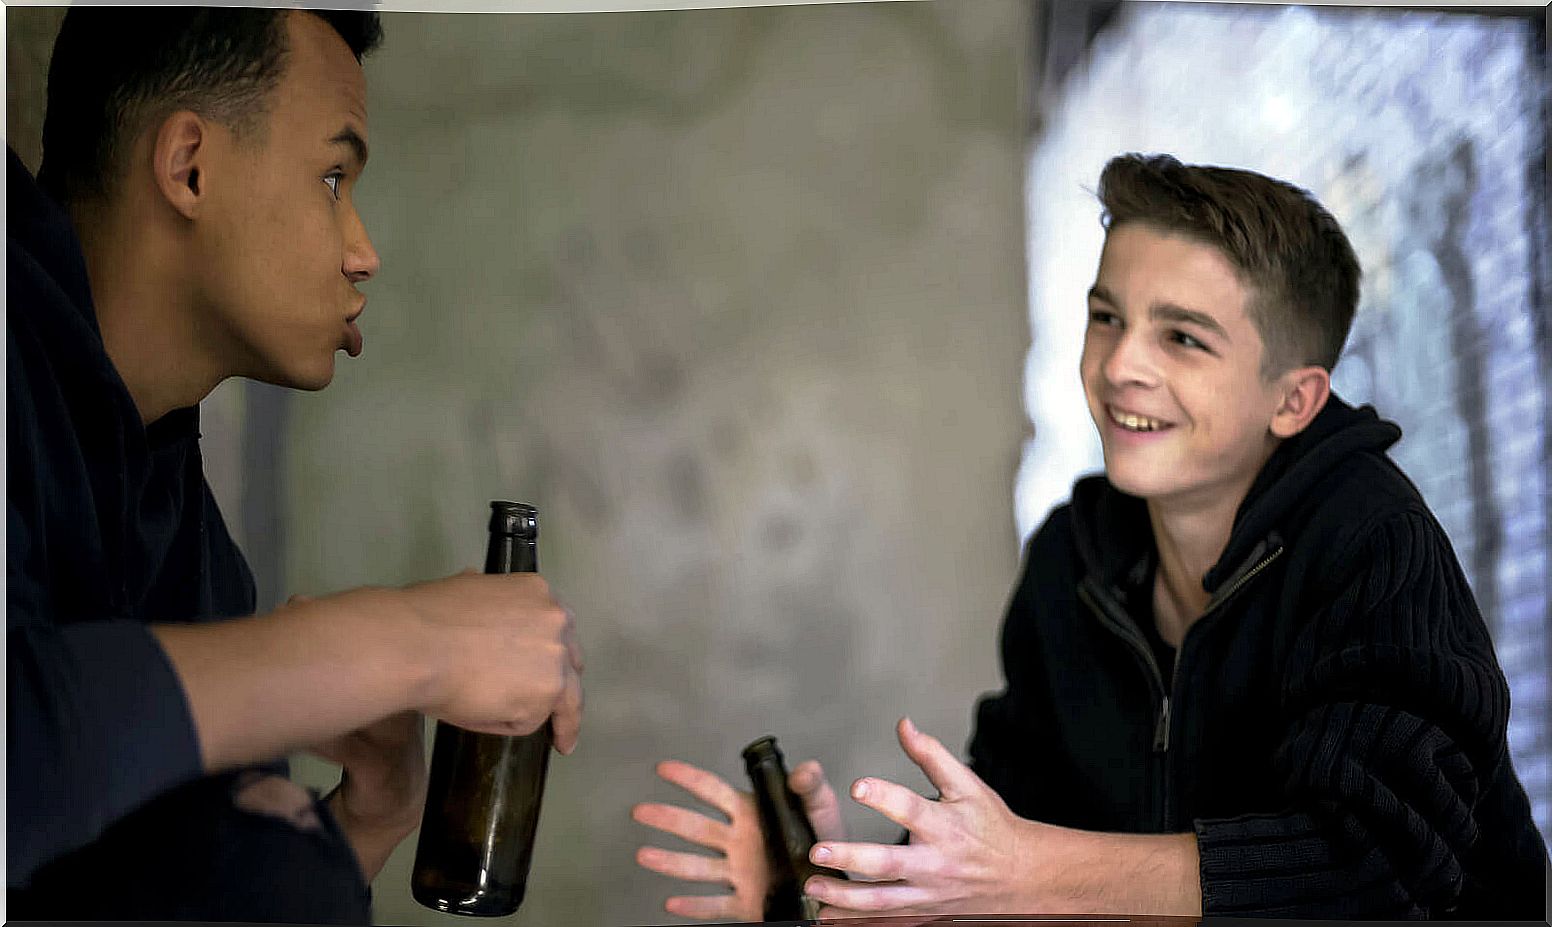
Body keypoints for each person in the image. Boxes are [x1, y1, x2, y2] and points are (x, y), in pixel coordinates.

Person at [632, 153, 1548, 919]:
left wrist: (1029, 868)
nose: (1119, 366)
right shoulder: (1076, 557)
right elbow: (1001, 840)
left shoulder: (1373, 542)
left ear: (1294, 398)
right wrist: (841, 884)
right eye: (1106, 315)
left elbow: (1380, 866)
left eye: (1183, 338)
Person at [8, 9, 583, 922]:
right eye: (332, 176)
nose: (365, 252)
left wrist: (366, 818)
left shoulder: (183, 531)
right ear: (189, 164)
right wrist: (407, 643)